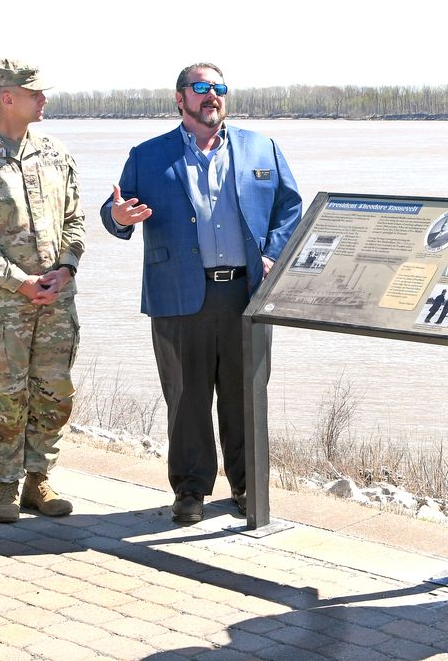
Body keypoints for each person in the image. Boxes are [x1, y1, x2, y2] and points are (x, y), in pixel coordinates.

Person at [102, 62, 301, 524]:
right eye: (201, 88)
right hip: (178, 297)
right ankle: (190, 490)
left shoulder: (261, 147)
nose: (212, 95)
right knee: (187, 398)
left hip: (247, 294)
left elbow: (289, 208)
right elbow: (114, 211)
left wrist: (272, 254)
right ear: (180, 98)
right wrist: (119, 218)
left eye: (219, 88)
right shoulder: (149, 155)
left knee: (245, 396)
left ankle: (248, 488)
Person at [0, 60, 85, 524]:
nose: (44, 100)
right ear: (8, 98)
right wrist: (19, 282)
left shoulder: (55, 153)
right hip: (3, 306)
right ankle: (5, 485)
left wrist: (65, 270)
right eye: (35, 93)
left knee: (54, 393)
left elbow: (75, 220)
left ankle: (38, 480)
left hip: (55, 302)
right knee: (6, 396)